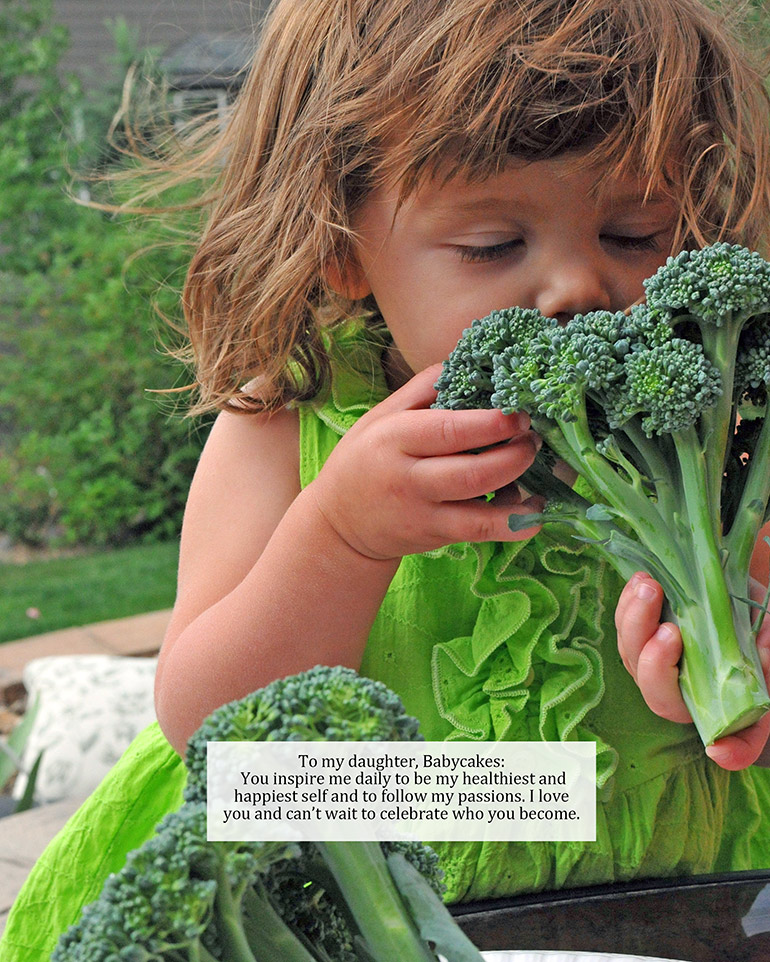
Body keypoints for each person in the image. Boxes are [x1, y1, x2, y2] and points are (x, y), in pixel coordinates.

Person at [3, 0, 770, 958]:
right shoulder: (287, 426)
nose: (578, 288)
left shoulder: (716, 429)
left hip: (682, 906)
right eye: (492, 245)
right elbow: (209, 726)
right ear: (340, 243)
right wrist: (341, 539)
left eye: (636, 232)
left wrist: (719, 669)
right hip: (363, 918)